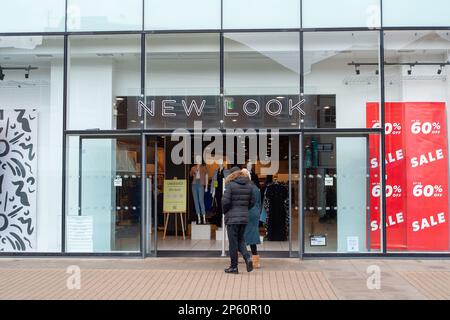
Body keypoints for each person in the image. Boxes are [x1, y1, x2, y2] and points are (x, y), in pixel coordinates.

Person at [222, 167, 256, 274]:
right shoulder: (249, 186)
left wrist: (225, 212)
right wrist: (245, 209)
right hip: (244, 217)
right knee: (241, 240)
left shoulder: (230, 186)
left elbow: (225, 202)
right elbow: (253, 201)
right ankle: (247, 258)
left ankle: (234, 267)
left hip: (232, 218)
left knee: (233, 243)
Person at [243, 169, 262, 269]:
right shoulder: (255, 188)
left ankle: (245, 258)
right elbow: (259, 202)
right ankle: (255, 260)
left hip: (247, 212)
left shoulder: (246, 188)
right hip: (254, 213)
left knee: (241, 234)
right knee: (252, 235)